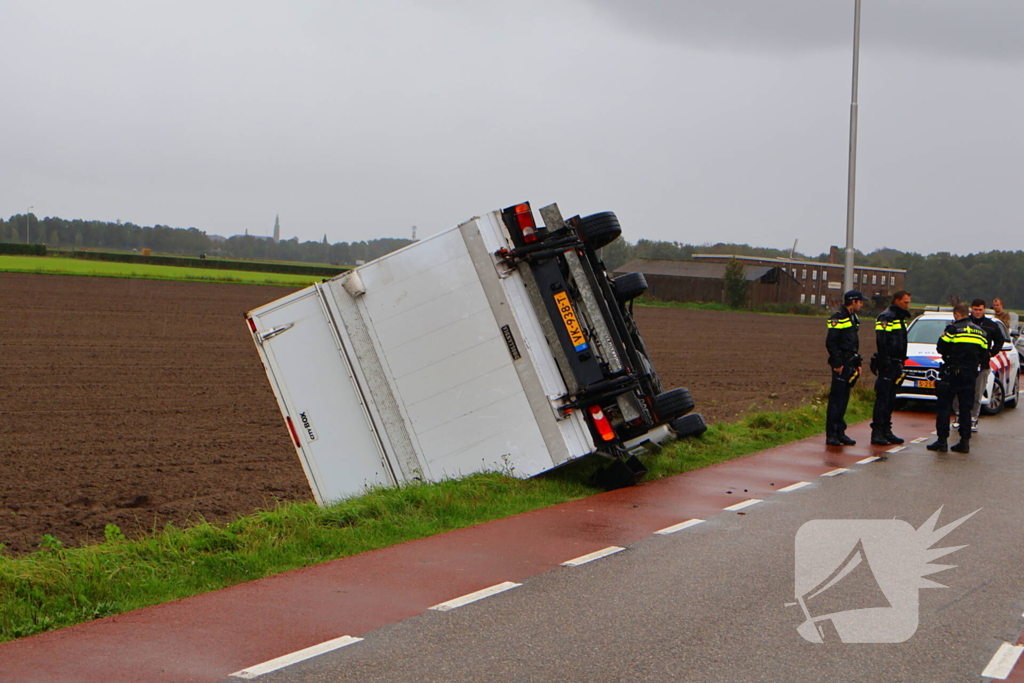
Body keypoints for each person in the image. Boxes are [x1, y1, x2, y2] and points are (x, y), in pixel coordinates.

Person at [927, 303, 989, 453]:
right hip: (970, 375)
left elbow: (940, 347)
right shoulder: (980, 332)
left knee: (944, 407)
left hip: (952, 373)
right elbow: (985, 353)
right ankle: (964, 442)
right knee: (966, 409)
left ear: (956, 314)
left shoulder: (952, 329)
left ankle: (942, 441)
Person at [955, 299, 1006, 433]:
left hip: (982, 365)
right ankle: (958, 415)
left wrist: (991, 353)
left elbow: (1000, 341)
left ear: (984, 310)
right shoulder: (964, 323)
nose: (978, 312)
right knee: (958, 392)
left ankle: (973, 418)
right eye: (975, 309)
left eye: (980, 310)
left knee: (977, 393)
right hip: (963, 364)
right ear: (971, 309)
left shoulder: (990, 325)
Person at [825, 290, 869, 446]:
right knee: (836, 399)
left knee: (844, 398)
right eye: (860, 301)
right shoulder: (838, 317)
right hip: (841, 363)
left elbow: (853, 343)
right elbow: (831, 342)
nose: (862, 304)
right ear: (853, 301)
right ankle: (831, 434)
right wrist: (837, 364)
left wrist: (857, 363)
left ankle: (840, 432)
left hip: (850, 362)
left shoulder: (853, 318)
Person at [870, 290, 912, 445]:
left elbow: (901, 341)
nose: (908, 305)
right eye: (905, 302)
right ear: (896, 301)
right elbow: (882, 341)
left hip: (896, 362)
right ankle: (877, 432)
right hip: (887, 363)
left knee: (890, 398)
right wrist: (886, 360)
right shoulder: (886, 317)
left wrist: (901, 360)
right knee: (883, 398)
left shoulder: (900, 318)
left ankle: (887, 430)